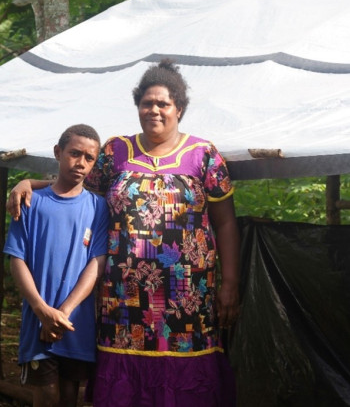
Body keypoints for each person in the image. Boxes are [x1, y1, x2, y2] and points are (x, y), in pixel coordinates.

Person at [7, 60, 240, 407]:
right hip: (123, 301)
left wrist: (229, 284)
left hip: (188, 300)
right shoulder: (116, 152)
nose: (155, 110)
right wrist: (30, 183)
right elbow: (74, 183)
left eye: (163, 103)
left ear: (179, 108)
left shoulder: (203, 156)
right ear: (138, 107)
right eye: (147, 103)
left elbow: (225, 222)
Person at [4, 124, 109, 407]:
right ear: (57, 152)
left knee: (69, 396)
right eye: (75, 154)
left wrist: (62, 313)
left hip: (76, 322)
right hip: (38, 321)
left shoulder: (98, 208)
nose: (81, 163)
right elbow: (17, 260)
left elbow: (96, 263)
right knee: (47, 395)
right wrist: (42, 310)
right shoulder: (29, 202)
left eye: (89, 158)